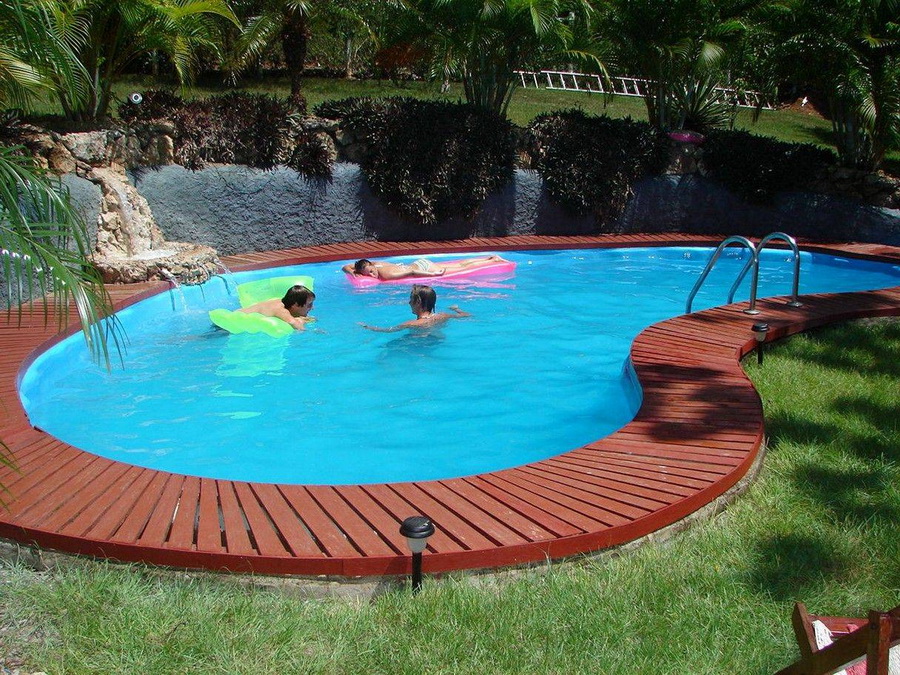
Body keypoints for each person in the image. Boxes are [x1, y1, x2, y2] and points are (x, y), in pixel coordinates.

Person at [360, 284, 469, 332]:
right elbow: (465, 315)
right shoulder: (443, 316)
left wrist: (366, 327)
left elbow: (388, 330)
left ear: (418, 302)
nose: (409, 302)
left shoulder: (411, 324)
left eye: (411, 299)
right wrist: (456, 309)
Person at [342, 254, 507, 281]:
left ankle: (491, 261)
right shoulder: (375, 263)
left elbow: (412, 272)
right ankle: (489, 258)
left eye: (371, 272)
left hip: (423, 268)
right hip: (420, 261)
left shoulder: (385, 274)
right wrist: (352, 271)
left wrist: (433, 275)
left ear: (371, 266)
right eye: (368, 274)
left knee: (460, 268)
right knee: (460, 264)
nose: (372, 275)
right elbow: (346, 266)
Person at [239, 284, 315, 331]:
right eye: (309, 304)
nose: (312, 307)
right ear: (295, 305)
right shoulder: (281, 310)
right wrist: (311, 331)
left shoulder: (285, 303)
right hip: (235, 320)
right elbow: (293, 323)